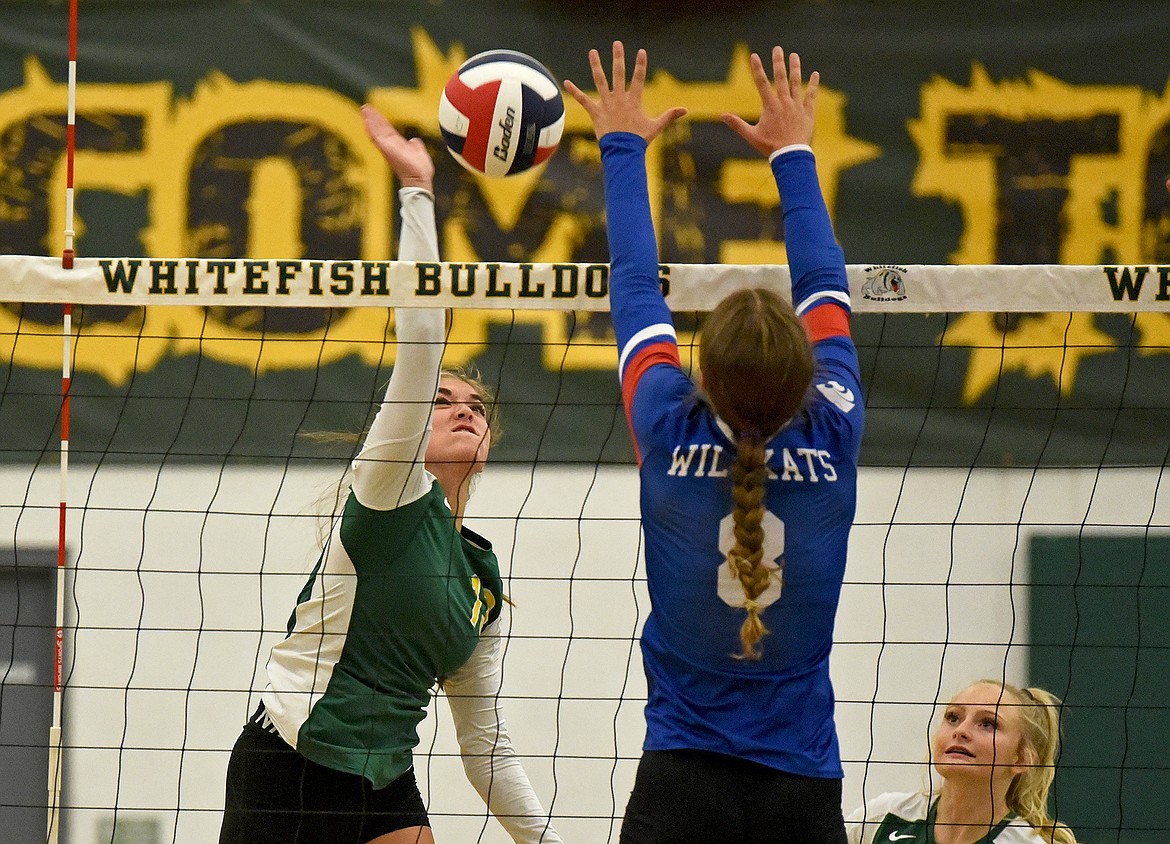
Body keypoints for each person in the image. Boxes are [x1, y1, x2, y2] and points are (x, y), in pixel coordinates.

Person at [218, 104, 562, 844]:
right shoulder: (390, 489)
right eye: (442, 401)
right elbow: (421, 339)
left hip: (383, 778)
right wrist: (416, 191)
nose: (462, 409)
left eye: (476, 405)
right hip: (292, 765)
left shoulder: (483, 585)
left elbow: (487, 750)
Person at [565, 43, 864, 843]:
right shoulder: (835, 421)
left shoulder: (665, 420)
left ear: (705, 372)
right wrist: (795, 153)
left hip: (681, 782)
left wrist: (621, 145)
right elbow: (825, 285)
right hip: (802, 788)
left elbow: (633, 283)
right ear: (805, 373)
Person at [846, 680, 1078, 844]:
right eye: (953, 717)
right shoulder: (884, 817)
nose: (961, 731)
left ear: (1021, 759)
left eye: (988, 723)